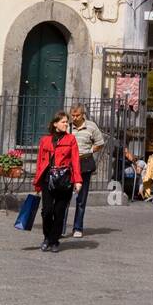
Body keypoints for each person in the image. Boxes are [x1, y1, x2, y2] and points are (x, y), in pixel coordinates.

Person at [34, 111, 82, 253]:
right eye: (63, 122)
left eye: (67, 122)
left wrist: (78, 180)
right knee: (47, 211)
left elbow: (75, 160)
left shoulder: (71, 139)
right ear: (55, 124)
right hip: (47, 179)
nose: (66, 124)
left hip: (64, 180)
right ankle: (47, 237)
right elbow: (40, 162)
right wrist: (37, 182)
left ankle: (54, 240)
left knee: (59, 211)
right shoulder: (45, 140)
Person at [65, 104, 105, 238]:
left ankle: (77, 227)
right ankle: (61, 227)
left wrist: (90, 151)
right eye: (73, 115)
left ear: (83, 115)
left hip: (84, 163)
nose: (74, 118)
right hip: (69, 164)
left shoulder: (91, 126)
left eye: (77, 115)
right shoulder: (68, 126)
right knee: (64, 198)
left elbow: (100, 143)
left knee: (81, 199)